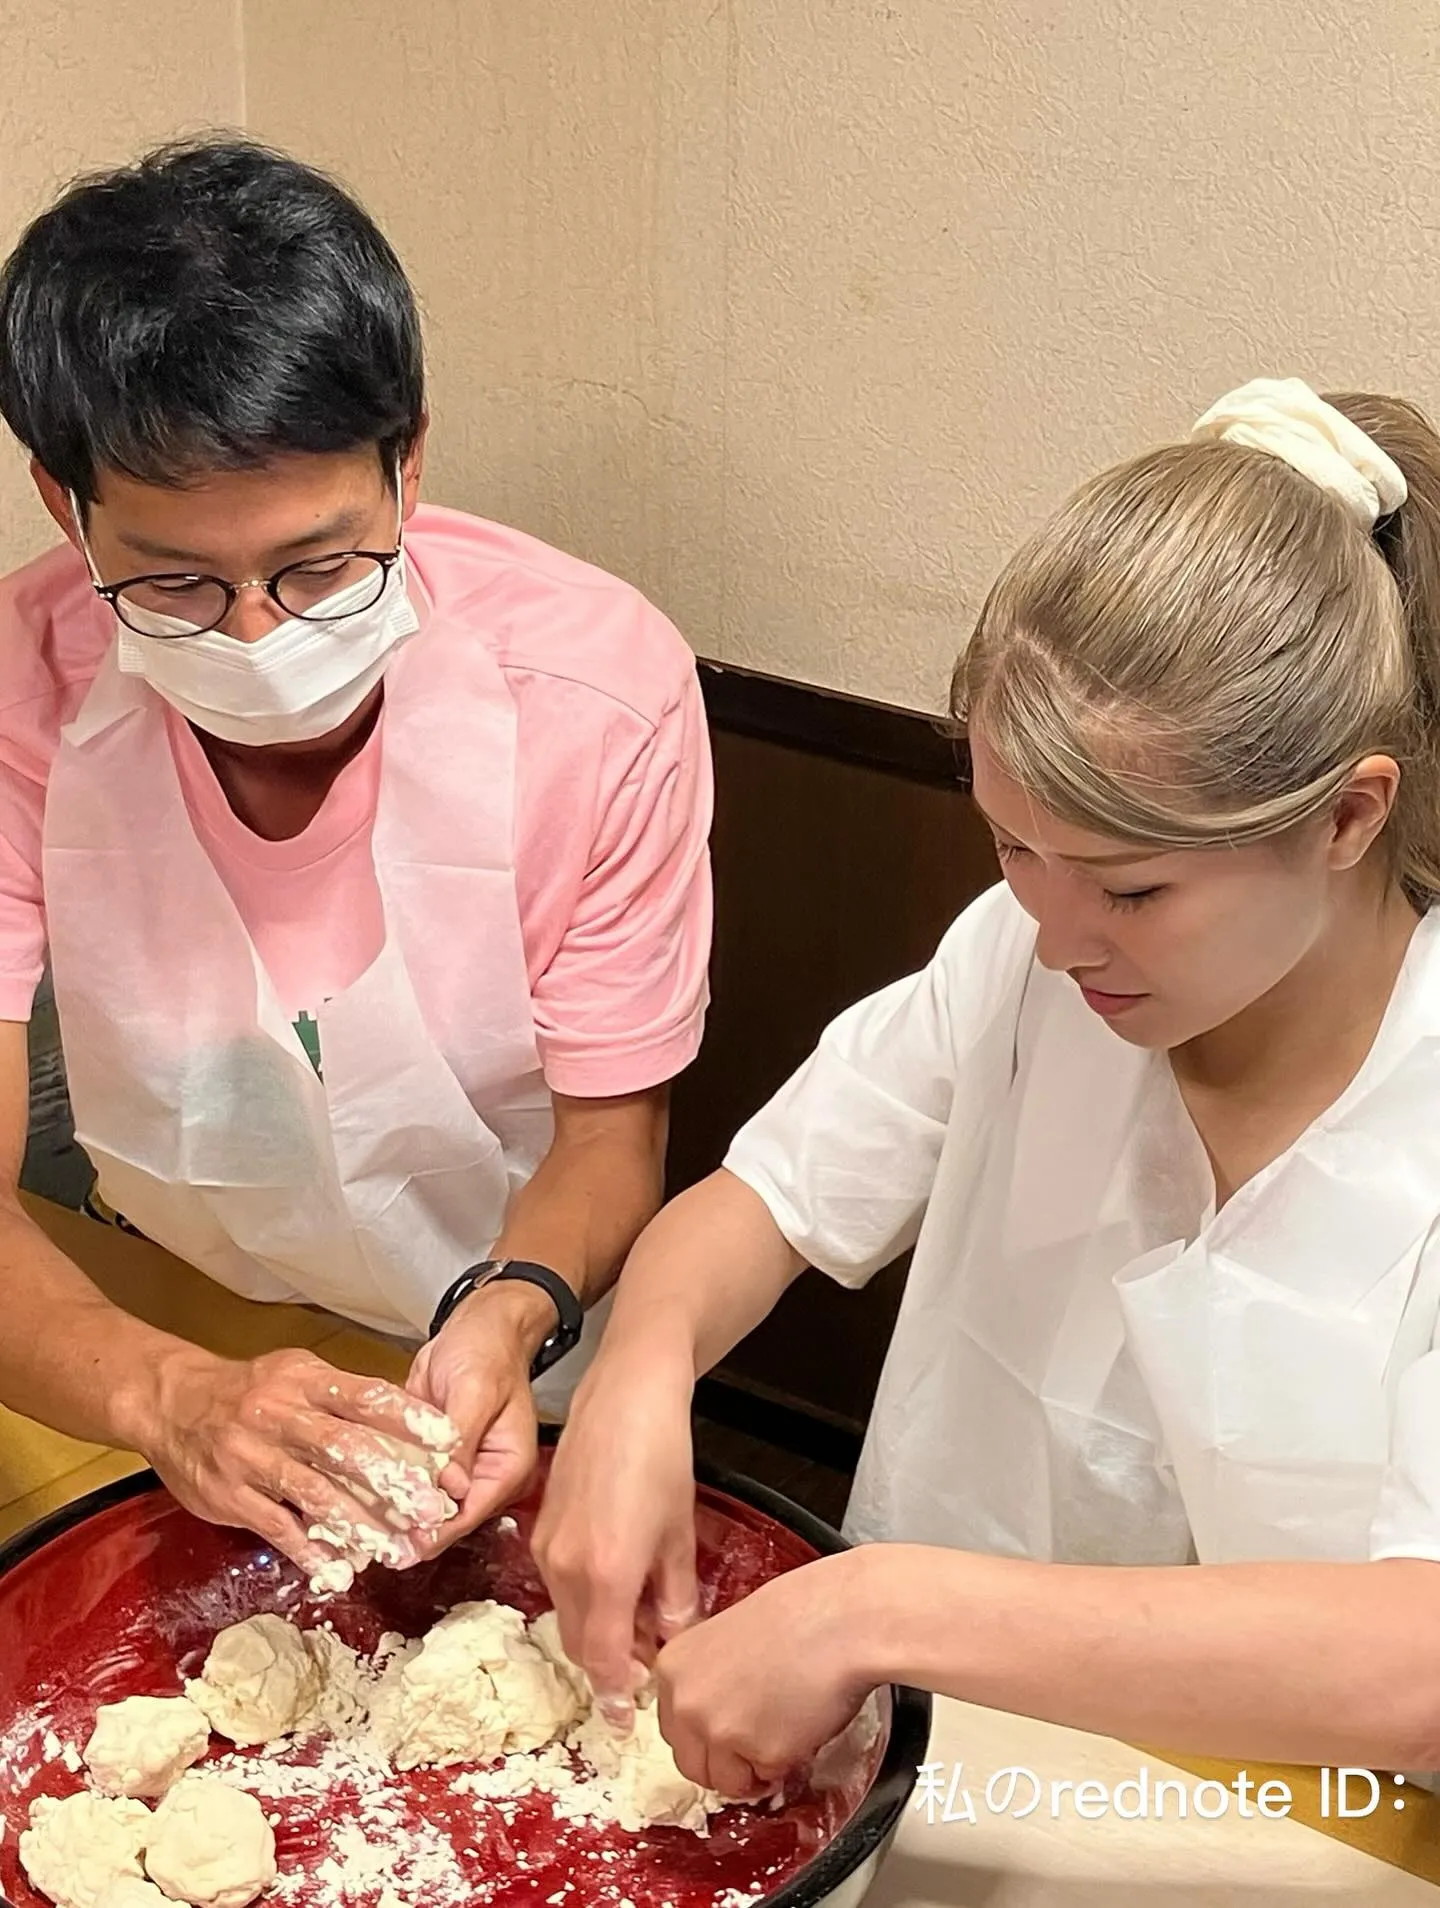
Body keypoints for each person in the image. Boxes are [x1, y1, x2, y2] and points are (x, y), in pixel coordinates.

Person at [534, 378, 1440, 1796]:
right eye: (1014, 846)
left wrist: (872, 1607)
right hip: (950, 1765)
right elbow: (762, 1204)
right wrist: (637, 1374)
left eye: (1136, 890)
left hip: (1307, 1821)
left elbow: (1417, 1665)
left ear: (1345, 816)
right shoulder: (1024, 962)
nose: (1061, 933)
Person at [0, 137, 711, 1584]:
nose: (259, 636)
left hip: (504, 1334)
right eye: (177, 583)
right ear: (64, 506)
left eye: (322, 567)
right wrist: (162, 1391)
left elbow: (608, 1143)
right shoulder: (22, 688)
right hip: (162, 1306)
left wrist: (512, 1305)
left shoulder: (600, 695)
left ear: (409, 460)